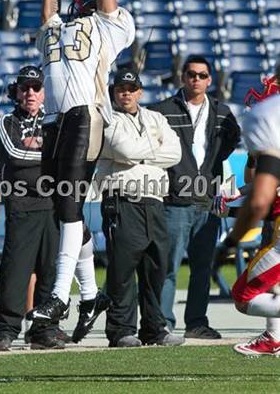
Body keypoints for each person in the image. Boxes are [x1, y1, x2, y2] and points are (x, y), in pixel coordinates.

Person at [30, 0, 135, 332]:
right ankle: (92, 296)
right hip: (56, 121)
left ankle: (58, 295)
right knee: (64, 209)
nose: (84, 5)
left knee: (70, 205)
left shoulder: (109, 28)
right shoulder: (55, 26)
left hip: (84, 116)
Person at [150, 55, 241, 339]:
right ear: (183, 76)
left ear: (210, 80)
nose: (196, 80)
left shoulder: (222, 112)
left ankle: (197, 323)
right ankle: (163, 323)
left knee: (202, 267)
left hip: (208, 200)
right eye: (191, 74)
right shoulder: (162, 110)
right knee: (169, 266)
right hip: (175, 200)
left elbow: (230, 142)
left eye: (202, 75)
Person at [96, 69, 184, 348]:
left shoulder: (156, 117)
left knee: (155, 268)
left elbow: (176, 153)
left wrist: (141, 150)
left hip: (154, 201)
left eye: (131, 88)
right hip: (123, 200)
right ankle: (121, 330)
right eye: (121, 88)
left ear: (140, 92)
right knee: (122, 270)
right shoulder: (106, 119)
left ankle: (154, 328)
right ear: (113, 92)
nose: (126, 93)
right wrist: (153, 144)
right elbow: (125, 151)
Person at [0, 65, 64, 350]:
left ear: (44, 92)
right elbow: (16, 154)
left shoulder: (55, 120)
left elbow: (67, 155)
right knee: (16, 270)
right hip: (22, 204)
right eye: (25, 88)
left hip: (54, 204)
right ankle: (6, 328)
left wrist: (40, 145)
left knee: (50, 269)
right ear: (17, 92)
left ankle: (43, 329)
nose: (31, 93)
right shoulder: (6, 121)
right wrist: (49, 151)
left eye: (36, 87)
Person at [214, 76, 280, 357]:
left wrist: (229, 243)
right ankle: (273, 338)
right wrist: (236, 194)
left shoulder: (268, 122)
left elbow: (262, 195)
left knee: (243, 296)